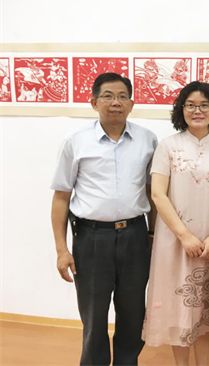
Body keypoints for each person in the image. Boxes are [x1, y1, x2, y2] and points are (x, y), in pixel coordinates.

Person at [50, 72, 157, 365]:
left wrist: (152, 235)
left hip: (135, 236)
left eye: (122, 96)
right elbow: (61, 198)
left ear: (132, 104)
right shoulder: (76, 141)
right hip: (91, 238)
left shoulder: (148, 140)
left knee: (133, 312)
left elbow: (153, 194)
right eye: (108, 96)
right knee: (94, 315)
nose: (116, 102)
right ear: (94, 102)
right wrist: (61, 250)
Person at [142, 81, 209, 366]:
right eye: (191, 105)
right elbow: (158, 194)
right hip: (175, 241)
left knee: (205, 309)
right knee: (179, 309)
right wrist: (184, 235)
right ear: (181, 109)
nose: (198, 111)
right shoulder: (168, 146)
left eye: (204, 105)